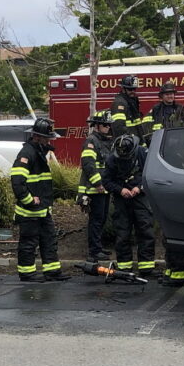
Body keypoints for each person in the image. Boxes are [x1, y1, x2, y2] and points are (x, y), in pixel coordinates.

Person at [11, 117, 65, 282]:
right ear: (37, 137)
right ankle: (27, 273)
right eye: (47, 138)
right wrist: (29, 200)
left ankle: (52, 271)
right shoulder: (27, 153)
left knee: (49, 240)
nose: (50, 141)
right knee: (29, 243)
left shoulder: (39, 152)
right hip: (29, 212)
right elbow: (17, 181)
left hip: (42, 210)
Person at [101, 134, 155, 278]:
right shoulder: (112, 159)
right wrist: (120, 190)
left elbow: (151, 174)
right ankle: (124, 267)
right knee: (122, 233)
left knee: (145, 231)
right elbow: (106, 180)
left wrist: (140, 187)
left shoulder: (143, 153)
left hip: (140, 198)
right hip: (122, 200)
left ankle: (146, 267)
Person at [78, 110, 113, 263]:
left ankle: (98, 247)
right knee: (96, 220)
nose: (108, 128)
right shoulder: (91, 141)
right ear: (97, 126)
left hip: (104, 188)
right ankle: (94, 251)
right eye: (105, 125)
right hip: (95, 189)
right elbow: (88, 165)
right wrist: (98, 183)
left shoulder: (105, 141)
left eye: (109, 125)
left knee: (102, 218)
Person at [109, 75, 146, 141]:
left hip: (135, 141)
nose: (132, 91)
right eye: (130, 89)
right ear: (123, 89)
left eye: (134, 89)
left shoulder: (132, 102)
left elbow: (137, 126)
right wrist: (130, 139)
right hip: (127, 143)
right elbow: (119, 127)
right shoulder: (120, 103)